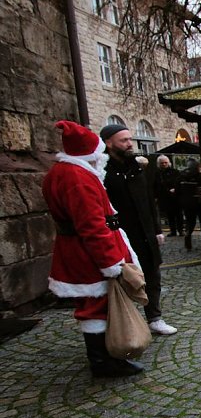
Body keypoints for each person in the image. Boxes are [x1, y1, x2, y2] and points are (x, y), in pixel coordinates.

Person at [43, 121, 143, 376]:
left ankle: (105, 358)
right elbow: (92, 227)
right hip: (88, 256)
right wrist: (111, 263)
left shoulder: (61, 173)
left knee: (94, 305)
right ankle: (104, 361)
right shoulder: (78, 178)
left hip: (77, 250)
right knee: (96, 306)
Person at [100, 123, 177, 336]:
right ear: (109, 143)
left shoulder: (136, 168)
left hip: (145, 233)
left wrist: (157, 229)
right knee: (123, 278)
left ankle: (154, 318)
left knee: (152, 275)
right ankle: (124, 323)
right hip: (121, 234)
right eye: (123, 140)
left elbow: (149, 202)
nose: (129, 144)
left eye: (129, 139)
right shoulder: (104, 170)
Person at [179, 158, 201, 251]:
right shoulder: (200, 176)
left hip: (187, 203)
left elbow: (177, 190)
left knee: (190, 223)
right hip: (199, 203)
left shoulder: (182, 176)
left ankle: (188, 240)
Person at [156, 155, 183, 236]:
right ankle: (173, 231)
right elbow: (157, 186)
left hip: (176, 197)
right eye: (162, 163)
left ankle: (181, 230)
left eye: (165, 163)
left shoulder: (175, 172)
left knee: (179, 215)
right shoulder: (157, 174)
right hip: (165, 198)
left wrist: (175, 189)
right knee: (170, 216)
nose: (164, 164)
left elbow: (179, 182)